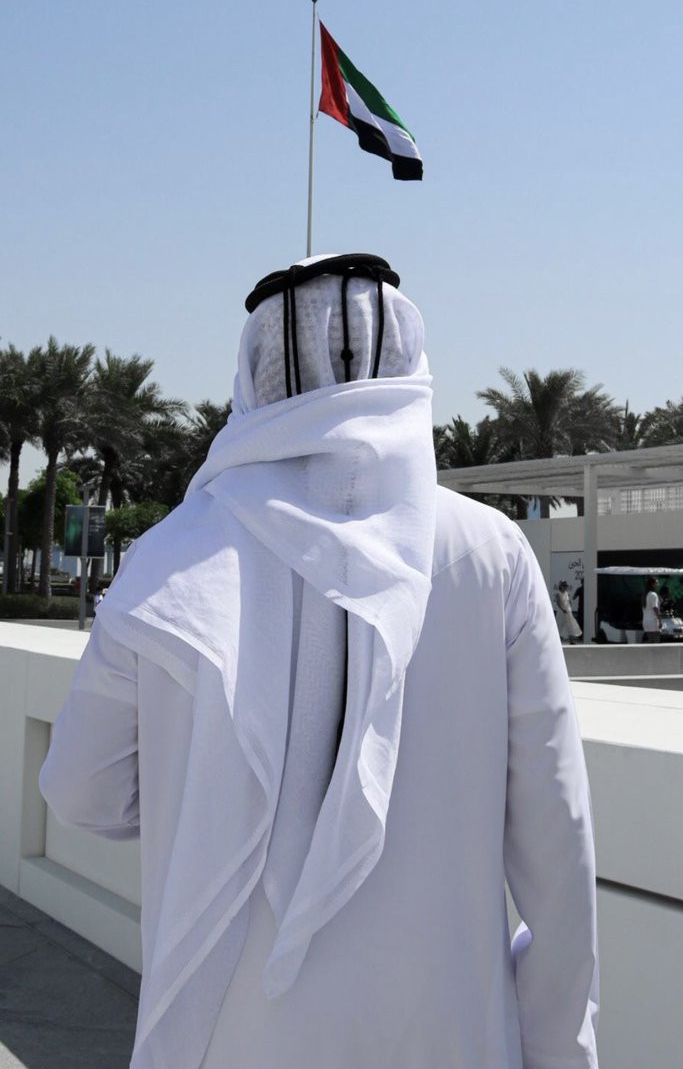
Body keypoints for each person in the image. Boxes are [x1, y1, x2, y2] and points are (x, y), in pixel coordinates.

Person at [39, 254, 599, 1069]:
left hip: (225, 1041)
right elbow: (557, 841)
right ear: (406, 362)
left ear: (255, 374)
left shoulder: (167, 561)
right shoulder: (491, 552)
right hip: (449, 1037)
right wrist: (558, 1051)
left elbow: (80, 790)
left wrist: (209, 798)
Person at [555, 579, 583, 644]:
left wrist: (570, 605)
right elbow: (558, 603)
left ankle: (571, 641)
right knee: (560, 626)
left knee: (570, 626)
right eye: (563, 586)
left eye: (565, 586)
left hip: (568, 612)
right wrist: (562, 609)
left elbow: (568, 601)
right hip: (562, 613)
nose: (565, 587)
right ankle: (557, 641)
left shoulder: (566, 593)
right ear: (560, 586)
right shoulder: (558, 594)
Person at [642, 575, 661, 642]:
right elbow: (655, 608)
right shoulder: (653, 594)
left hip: (646, 622)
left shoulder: (645, 595)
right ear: (652, 584)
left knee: (650, 642)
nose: (658, 584)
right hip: (653, 621)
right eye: (657, 583)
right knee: (656, 642)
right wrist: (660, 620)